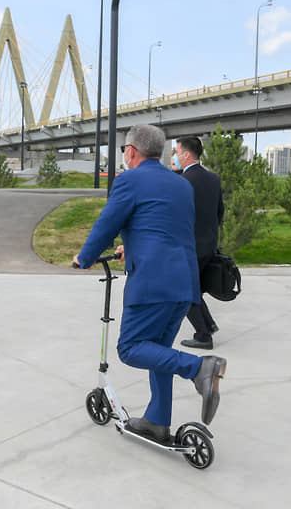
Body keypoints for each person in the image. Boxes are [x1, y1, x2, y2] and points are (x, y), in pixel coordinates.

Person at [72, 124, 227, 443]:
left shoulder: (128, 179)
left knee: (130, 348)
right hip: (183, 281)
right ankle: (157, 421)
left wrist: (84, 258)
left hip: (152, 283)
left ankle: (199, 368)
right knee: (158, 351)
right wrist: (130, 247)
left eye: (123, 151)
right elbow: (165, 228)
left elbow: (106, 224)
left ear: (131, 151)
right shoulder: (181, 184)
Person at [175, 136, 225, 350]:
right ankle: (209, 325)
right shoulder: (213, 179)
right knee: (193, 289)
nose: (175, 156)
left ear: (186, 155)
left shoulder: (182, 182)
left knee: (182, 291)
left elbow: (175, 217)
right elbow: (219, 212)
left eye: (177, 152)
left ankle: (203, 335)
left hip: (188, 247)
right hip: (209, 245)